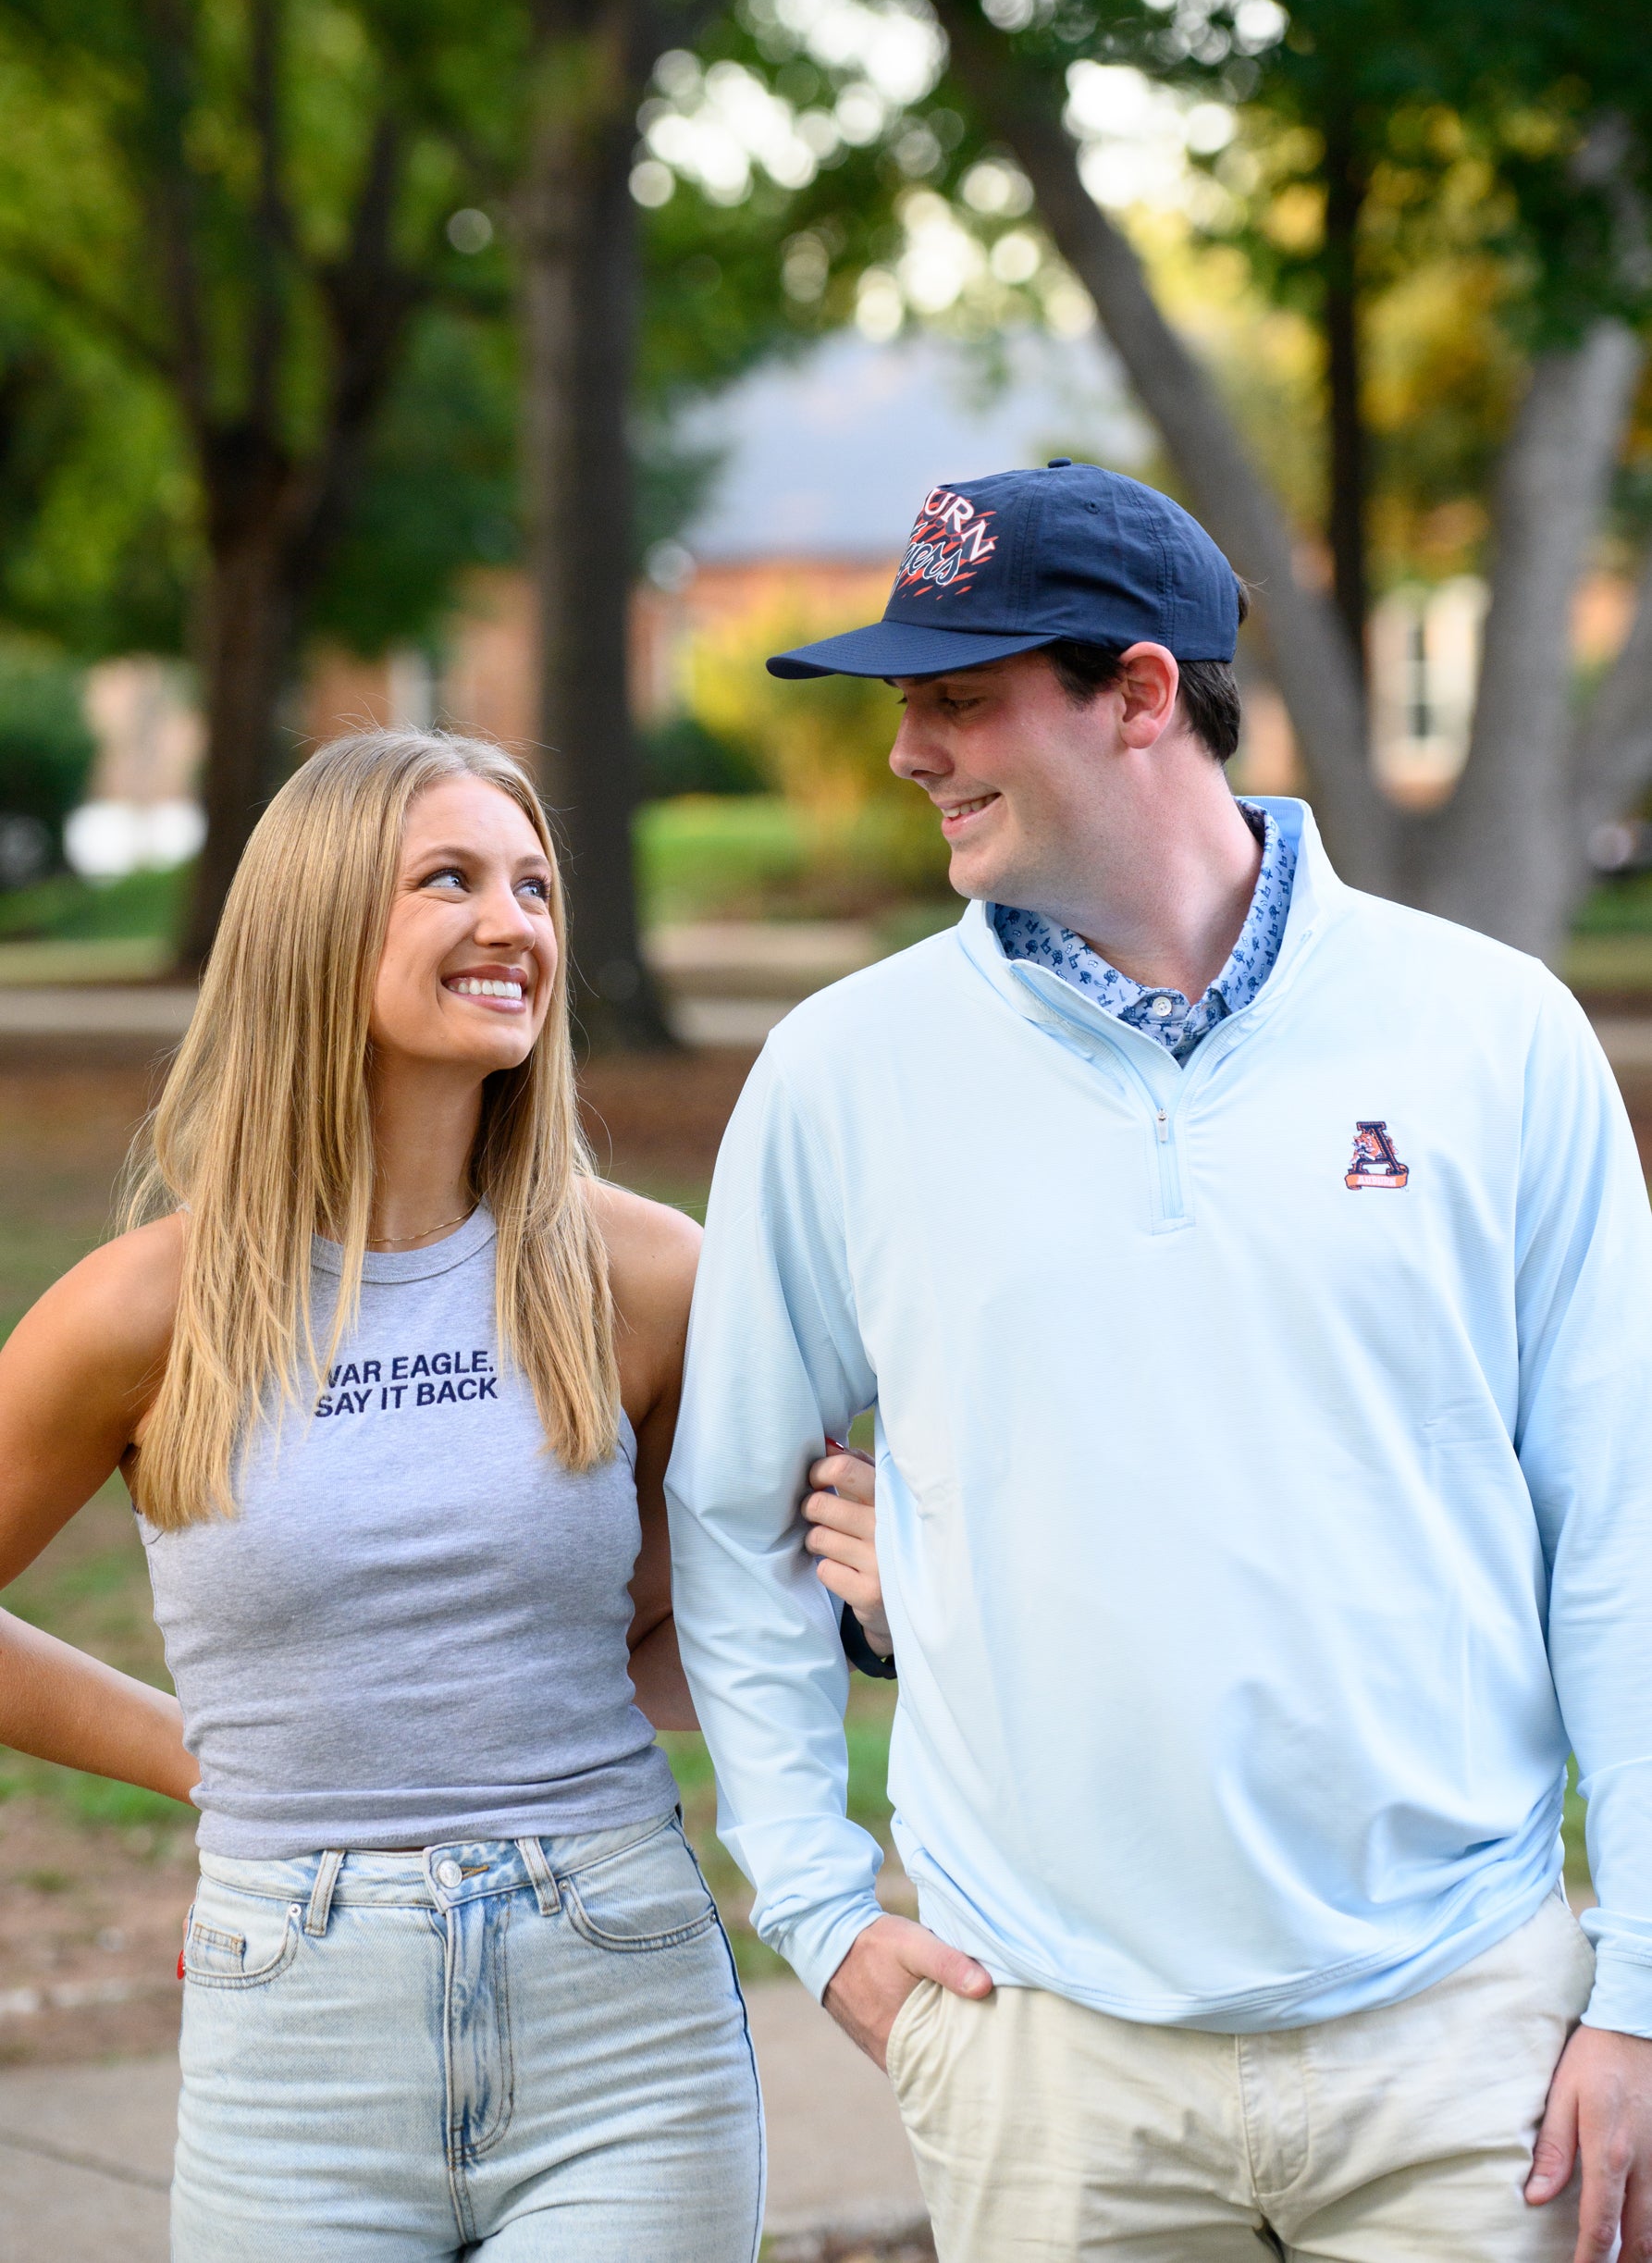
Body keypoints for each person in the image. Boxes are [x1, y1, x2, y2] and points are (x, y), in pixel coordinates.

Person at [665, 461, 1652, 2263]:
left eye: (954, 698)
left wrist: (1642, 1980)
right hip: (1045, 2064)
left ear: (1134, 692)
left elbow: (1621, 1529)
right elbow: (731, 1512)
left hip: (1461, 2045)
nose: (906, 751)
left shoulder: (1489, 1033)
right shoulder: (835, 1077)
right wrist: (815, 1900)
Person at [0, 727, 884, 2262]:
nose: (517, 925)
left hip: (617, 1999)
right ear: (318, 929)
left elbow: (694, 1641)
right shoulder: (143, 1310)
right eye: (452, 881)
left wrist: (870, 1599)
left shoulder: (646, 1276)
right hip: (296, 2030)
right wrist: (207, 1763)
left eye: (535, 885)